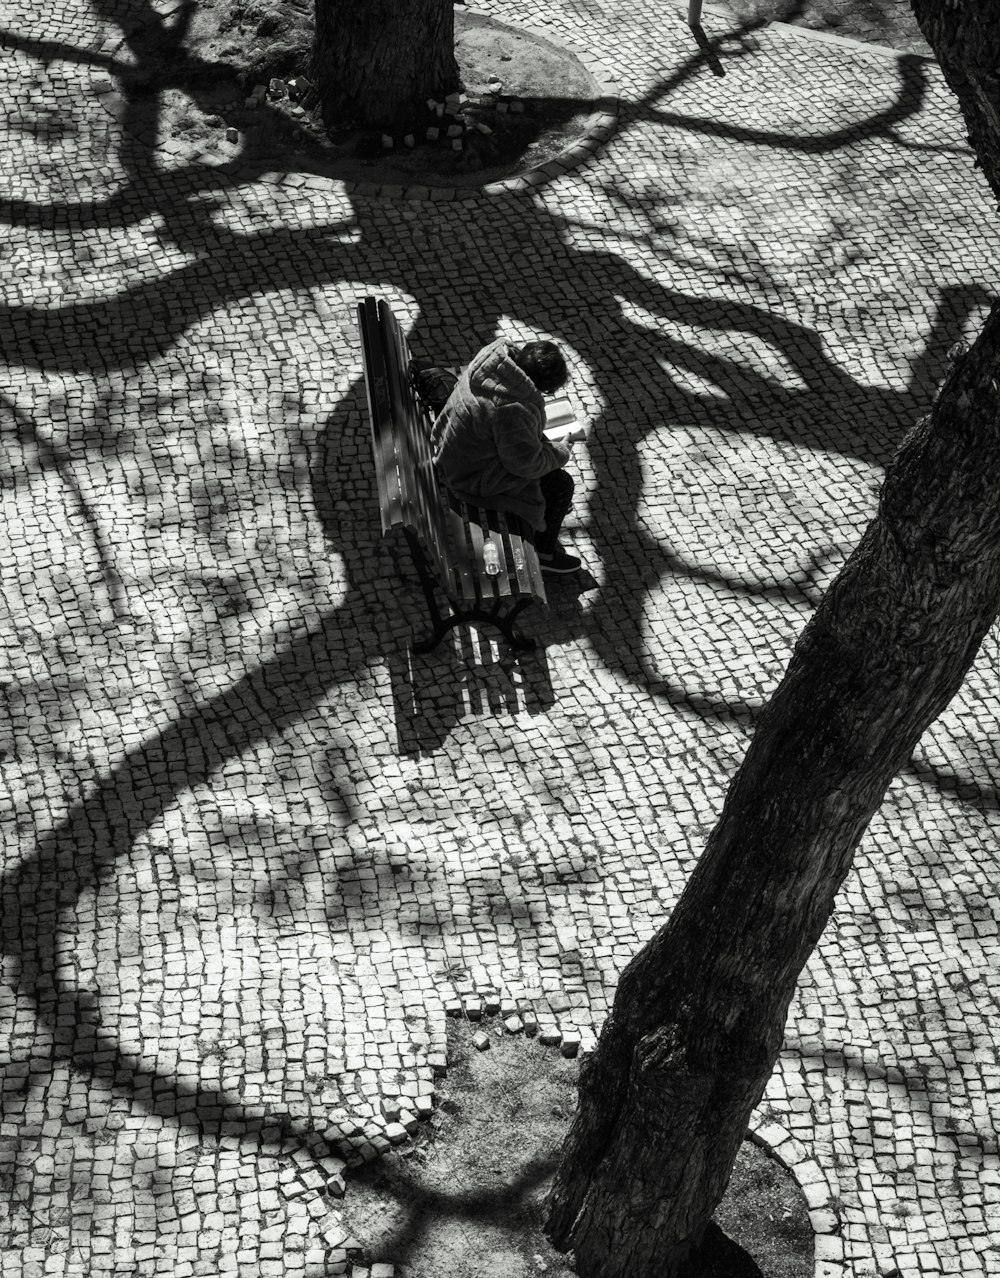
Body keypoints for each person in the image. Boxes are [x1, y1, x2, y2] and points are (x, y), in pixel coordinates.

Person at [429, 336, 585, 573]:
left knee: (545, 457)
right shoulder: (513, 409)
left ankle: (549, 512)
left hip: (454, 448)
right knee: (561, 484)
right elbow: (525, 465)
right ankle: (544, 554)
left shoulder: (493, 367)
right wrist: (561, 451)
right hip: (471, 475)